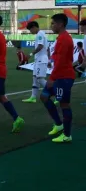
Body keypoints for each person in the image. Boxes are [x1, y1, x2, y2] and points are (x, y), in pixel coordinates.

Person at [41, 13, 75, 143]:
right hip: (59, 75)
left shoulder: (65, 39)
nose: (51, 25)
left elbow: (61, 61)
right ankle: (58, 124)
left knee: (64, 104)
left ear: (60, 24)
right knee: (44, 97)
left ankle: (67, 135)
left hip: (63, 77)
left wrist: (52, 78)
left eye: (53, 23)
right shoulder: (61, 37)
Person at [22, 21, 49, 103]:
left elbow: (40, 46)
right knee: (35, 78)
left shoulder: (40, 34)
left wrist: (30, 54)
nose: (30, 32)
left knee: (40, 79)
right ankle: (33, 97)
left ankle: (55, 92)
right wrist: (50, 59)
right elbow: (47, 48)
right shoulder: (41, 34)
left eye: (30, 30)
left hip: (41, 60)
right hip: (39, 60)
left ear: (34, 27)